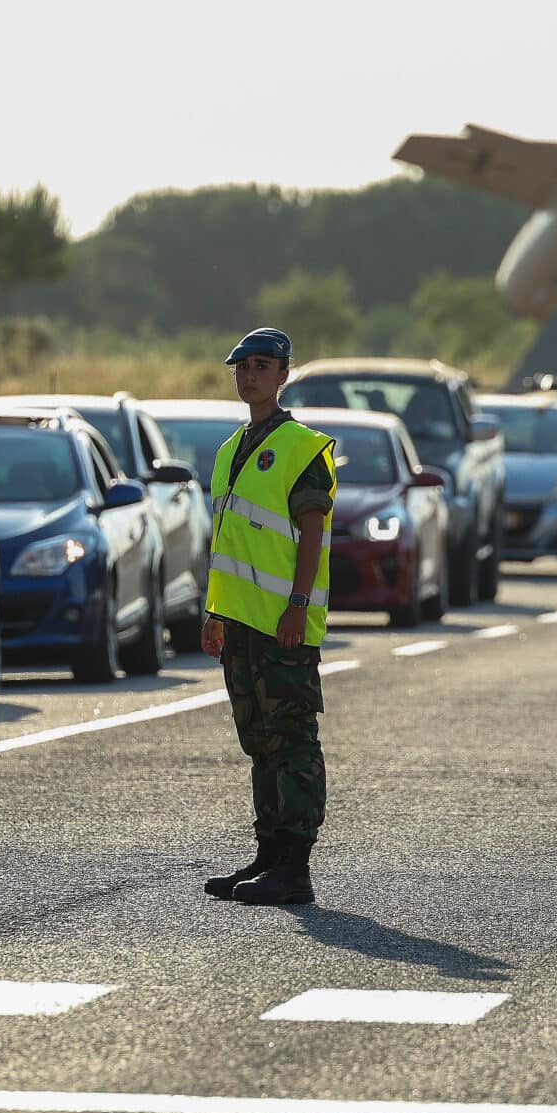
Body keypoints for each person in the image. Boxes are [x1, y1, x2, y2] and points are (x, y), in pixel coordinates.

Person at [199, 327, 336, 906]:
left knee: (292, 740)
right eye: (242, 365)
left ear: (284, 375)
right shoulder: (231, 449)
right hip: (241, 624)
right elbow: (227, 542)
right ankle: (268, 854)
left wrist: (297, 605)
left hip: (284, 622)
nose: (249, 374)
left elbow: (311, 535)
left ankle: (295, 864)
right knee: (259, 740)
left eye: (261, 365)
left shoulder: (302, 448)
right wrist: (214, 614)